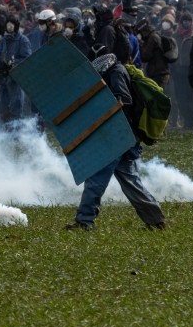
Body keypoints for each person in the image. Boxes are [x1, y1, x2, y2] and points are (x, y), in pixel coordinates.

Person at [66, 47, 167, 230]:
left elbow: (124, 101)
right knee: (131, 182)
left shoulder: (116, 72)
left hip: (117, 135)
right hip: (123, 136)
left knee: (96, 179)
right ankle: (156, 220)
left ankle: (84, 221)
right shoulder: (112, 72)